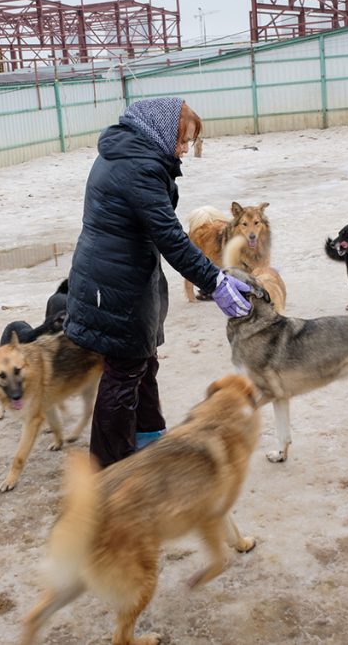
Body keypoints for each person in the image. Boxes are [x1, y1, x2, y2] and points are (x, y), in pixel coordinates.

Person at [64, 97, 252, 468]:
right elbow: (169, 236)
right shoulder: (138, 166)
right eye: (182, 140)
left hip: (123, 275)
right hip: (113, 282)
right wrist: (214, 280)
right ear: (163, 131)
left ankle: (148, 439)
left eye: (189, 142)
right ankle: (109, 470)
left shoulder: (131, 153)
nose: (183, 149)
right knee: (123, 374)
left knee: (141, 360)